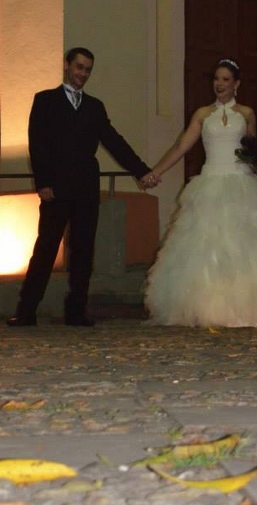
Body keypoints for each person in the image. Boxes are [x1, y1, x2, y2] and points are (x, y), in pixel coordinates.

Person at [143, 58, 257, 328]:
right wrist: (155, 172)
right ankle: (209, 307)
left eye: (226, 79)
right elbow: (181, 146)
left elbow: (251, 148)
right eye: (216, 79)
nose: (219, 84)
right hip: (211, 181)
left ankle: (252, 308)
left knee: (249, 249)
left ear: (236, 84)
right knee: (208, 247)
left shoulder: (246, 113)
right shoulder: (203, 114)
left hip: (242, 183)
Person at [8, 47, 156, 328]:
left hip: (86, 187)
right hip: (56, 187)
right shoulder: (45, 101)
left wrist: (142, 171)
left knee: (83, 250)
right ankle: (26, 311)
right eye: (79, 67)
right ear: (67, 66)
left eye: (87, 69)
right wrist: (44, 182)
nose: (82, 74)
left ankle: (76, 311)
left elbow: (114, 141)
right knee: (46, 249)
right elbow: (36, 143)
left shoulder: (94, 107)